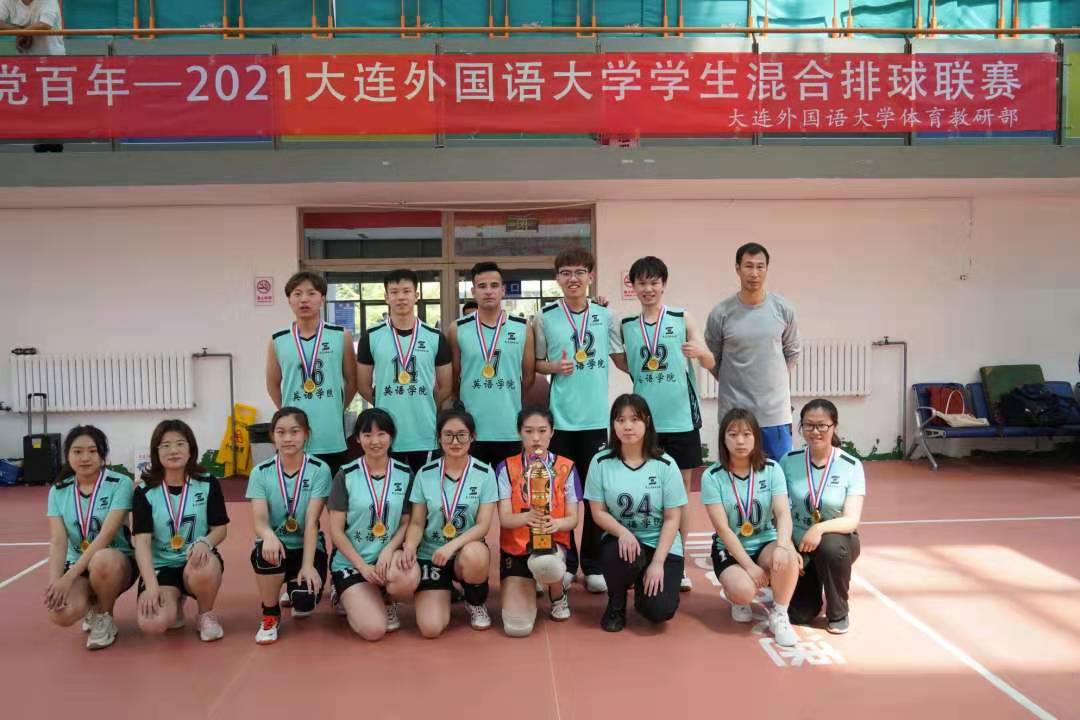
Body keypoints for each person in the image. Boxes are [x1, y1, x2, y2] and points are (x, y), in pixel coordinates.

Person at [531, 247, 626, 593]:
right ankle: (568, 563)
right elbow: (537, 362)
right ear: (557, 278)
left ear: (590, 276)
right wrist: (554, 367)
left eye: (579, 272)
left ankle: (593, 564)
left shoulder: (605, 315)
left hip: (596, 421)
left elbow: (619, 356)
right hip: (561, 422)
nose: (573, 279)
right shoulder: (544, 318)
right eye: (566, 273)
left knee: (595, 497)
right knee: (562, 497)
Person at [620, 255, 713, 592]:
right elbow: (625, 362)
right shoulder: (627, 325)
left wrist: (699, 353)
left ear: (663, 284)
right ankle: (643, 559)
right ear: (633, 286)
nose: (648, 288)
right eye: (642, 282)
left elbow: (710, 359)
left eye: (654, 282)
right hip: (644, 423)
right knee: (644, 491)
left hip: (681, 419)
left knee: (681, 495)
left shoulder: (681, 317)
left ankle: (679, 563)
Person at [585, 394, 686, 632]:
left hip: (660, 543)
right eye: (620, 420)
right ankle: (616, 602)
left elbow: (673, 518)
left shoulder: (666, 465)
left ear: (647, 422)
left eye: (634, 419)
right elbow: (598, 512)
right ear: (613, 425)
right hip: (622, 542)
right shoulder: (600, 462)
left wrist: (658, 563)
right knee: (616, 552)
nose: (627, 426)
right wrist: (623, 532)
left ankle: (645, 589)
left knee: (659, 611)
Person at [701, 408, 799, 647]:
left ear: (756, 437)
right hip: (730, 549)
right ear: (723, 439)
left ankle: (780, 613)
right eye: (733, 434)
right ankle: (738, 599)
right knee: (744, 590)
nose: (740, 441)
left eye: (747, 434)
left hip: (765, 541)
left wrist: (783, 546)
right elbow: (723, 529)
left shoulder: (772, 469)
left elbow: (783, 513)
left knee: (787, 557)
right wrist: (750, 567)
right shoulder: (712, 476)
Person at [401, 408, 497, 637]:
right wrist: (410, 546)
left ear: (472, 437)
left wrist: (452, 546)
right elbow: (416, 522)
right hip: (431, 554)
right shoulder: (425, 473)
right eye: (448, 435)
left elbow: (483, 525)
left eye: (462, 435)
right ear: (439, 437)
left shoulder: (485, 473)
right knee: (430, 628)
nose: (455, 442)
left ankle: (475, 601)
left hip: (464, 550)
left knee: (475, 555)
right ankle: (444, 589)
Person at [132, 420, 229, 642]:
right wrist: (151, 586)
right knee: (152, 623)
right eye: (165, 445)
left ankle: (205, 614)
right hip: (162, 566)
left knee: (205, 565)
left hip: (195, 560)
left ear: (190, 449)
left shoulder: (207, 483)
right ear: (156, 452)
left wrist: (205, 542)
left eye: (179, 444)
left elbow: (220, 529)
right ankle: (173, 600)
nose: (173, 450)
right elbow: (142, 543)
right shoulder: (145, 491)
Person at [705, 243, 801, 461]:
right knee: (735, 474)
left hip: (775, 414)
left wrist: (773, 381)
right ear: (737, 269)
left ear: (767, 269)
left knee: (779, 473)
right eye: (748, 266)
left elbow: (792, 351)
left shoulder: (783, 309)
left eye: (760, 266)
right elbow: (713, 359)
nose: (754, 273)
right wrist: (734, 382)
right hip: (735, 413)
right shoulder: (721, 313)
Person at [43, 426, 136, 650]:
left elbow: (106, 536)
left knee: (103, 559)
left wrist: (69, 578)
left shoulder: (120, 483)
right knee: (60, 613)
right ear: (67, 455)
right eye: (77, 451)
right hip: (77, 564)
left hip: (115, 562)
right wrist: (56, 583)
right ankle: (91, 606)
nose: (85, 458)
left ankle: (105, 616)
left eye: (92, 451)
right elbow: (58, 541)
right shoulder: (58, 491)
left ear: (103, 454)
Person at [329, 408, 417, 641]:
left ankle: (387, 599)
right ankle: (342, 591)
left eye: (381, 434)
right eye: (367, 435)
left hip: (387, 559)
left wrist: (389, 549)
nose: (375, 441)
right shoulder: (345, 475)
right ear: (358, 438)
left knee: (408, 579)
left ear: (391, 436)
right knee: (374, 630)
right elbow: (336, 531)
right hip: (352, 562)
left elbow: (406, 522)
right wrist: (362, 567)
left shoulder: (405, 474)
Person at [245, 407, 331, 645]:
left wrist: (308, 566)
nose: (288, 438)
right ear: (273, 436)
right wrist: (269, 536)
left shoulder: (320, 470)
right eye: (281, 432)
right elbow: (259, 520)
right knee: (266, 554)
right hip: (276, 546)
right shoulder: (260, 472)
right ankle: (270, 614)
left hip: (307, 546)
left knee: (303, 603)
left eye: (295, 431)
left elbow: (312, 522)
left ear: (306, 434)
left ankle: (294, 582)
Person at [781, 399, 865, 634]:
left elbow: (851, 520)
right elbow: (779, 511)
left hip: (836, 541)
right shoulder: (789, 460)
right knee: (799, 615)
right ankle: (812, 580)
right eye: (808, 425)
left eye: (822, 426)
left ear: (834, 426)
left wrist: (818, 529)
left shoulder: (851, 465)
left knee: (830, 548)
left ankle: (838, 612)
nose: (815, 431)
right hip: (799, 544)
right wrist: (788, 546)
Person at [357, 269, 452, 473]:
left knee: (424, 488)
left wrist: (426, 403)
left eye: (407, 291)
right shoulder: (371, 337)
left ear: (416, 296)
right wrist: (385, 402)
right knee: (390, 490)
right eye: (394, 292)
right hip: (386, 434)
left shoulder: (435, 337)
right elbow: (363, 386)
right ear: (386, 297)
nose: (401, 297)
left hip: (424, 432)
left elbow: (446, 386)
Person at [497, 406, 580, 636]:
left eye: (542, 431)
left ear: (552, 432)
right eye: (528, 431)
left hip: (552, 546)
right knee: (517, 627)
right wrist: (527, 517)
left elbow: (573, 519)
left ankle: (557, 593)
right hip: (517, 548)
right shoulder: (506, 468)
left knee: (547, 565)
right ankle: (530, 582)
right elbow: (504, 518)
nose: (536, 438)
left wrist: (557, 524)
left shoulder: (567, 467)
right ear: (519, 432)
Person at [267, 271, 357, 477]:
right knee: (294, 490)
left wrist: (337, 408)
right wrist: (287, 412)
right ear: (289, 300)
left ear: (322, 299)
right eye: (297, 294)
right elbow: (272, 383)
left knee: (335, 493)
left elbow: (352, 382)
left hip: (330, 435)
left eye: (311, 293)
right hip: (293, 435)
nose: (304, 299)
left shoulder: (340, 335)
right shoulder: (278, 340)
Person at [449, 261, 534, 466]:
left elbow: (528, 376)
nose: (488, 291)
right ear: (473, 291)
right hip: (471, 430)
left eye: (494, 285)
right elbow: (454, 376)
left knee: (508, 485)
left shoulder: (522, 327)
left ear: (503, 290)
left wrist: (509, 399)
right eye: (482, 286)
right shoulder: (457, 328)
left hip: (509, 428)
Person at [0, 0, 64, 152]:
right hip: (28, 62)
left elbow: (44, 24)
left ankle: (56, 140)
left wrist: (22, 33)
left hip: (53, 61)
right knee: (35, 101)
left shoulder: (48, 1)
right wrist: (21, 31)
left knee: (53, 102)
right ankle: (40, 138)